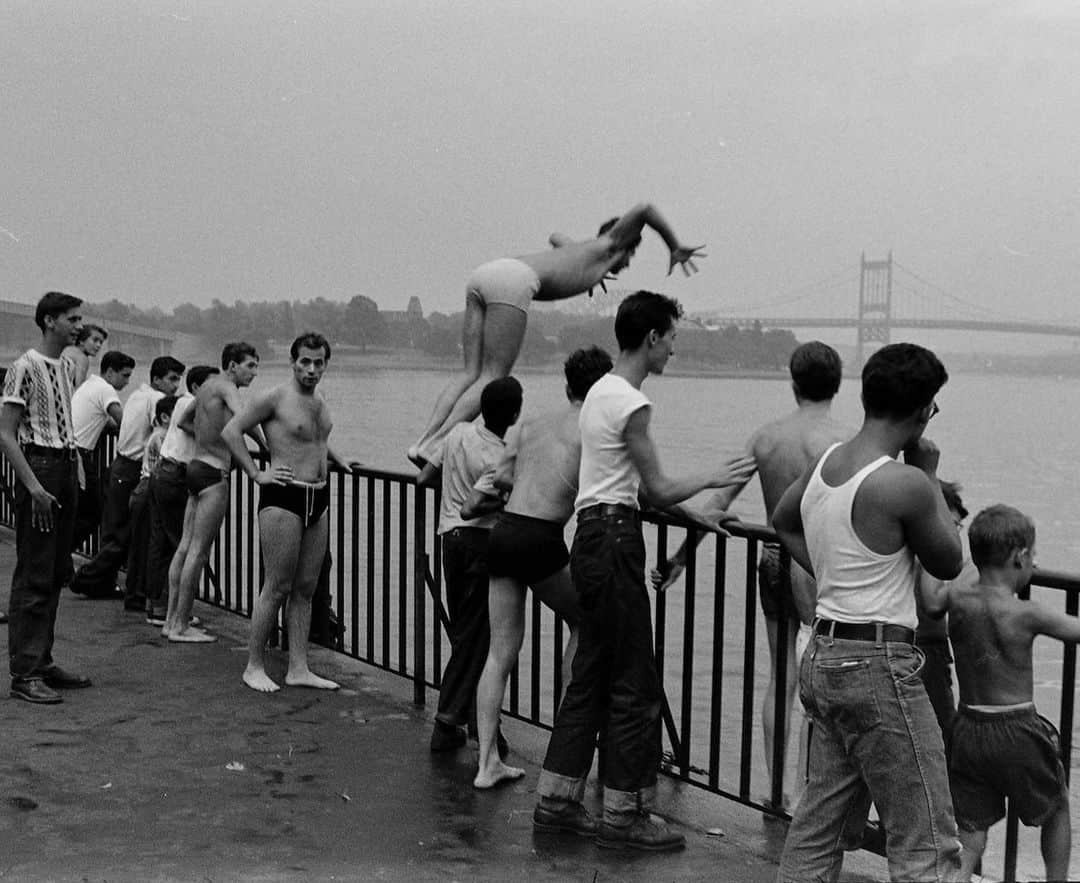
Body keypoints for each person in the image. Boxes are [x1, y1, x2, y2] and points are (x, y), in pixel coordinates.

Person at [533, 291, 756, 852]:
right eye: (673, 339)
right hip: (614, 544)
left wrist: (694, 514)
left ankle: (557, 801)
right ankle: (624, 813)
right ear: (652, 338)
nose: (675, 351)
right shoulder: (630, 402)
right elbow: (652, 487)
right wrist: (712, 476)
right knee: (634, 682)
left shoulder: (598, 394)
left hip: (592, 535)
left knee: (590, 673)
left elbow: (623, 490)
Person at [771, 342, 964, 882]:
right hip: (879, 667)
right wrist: (927, 473)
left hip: (825, 657)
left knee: (817, 831)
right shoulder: (902, 483)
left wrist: (832, 571)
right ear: (924, 408)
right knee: (926, 840)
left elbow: (784, 521)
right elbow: (949, 560)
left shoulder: (827, 462)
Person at [653, 340, 851, 810]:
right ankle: (810, 798)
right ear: (839, 384)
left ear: (793, 383)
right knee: (819, 681)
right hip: (813, 564)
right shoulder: (841, 441)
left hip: (771, 558)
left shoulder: (765, 438)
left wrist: (681, 559)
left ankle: (775, 793)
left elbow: (715, 507)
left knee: (780, 678)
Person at [409, 203, 706, 467]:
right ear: (624, 241)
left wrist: (582, 263)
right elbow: (645, 210)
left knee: (470, 372)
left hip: (487, 273)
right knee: (494, 375)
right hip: (513, 282)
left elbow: (555, 236)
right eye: (631, 253)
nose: (628, 262)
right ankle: (438, 446)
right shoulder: (610, 244)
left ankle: (424, 443)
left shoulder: (586, 252)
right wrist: (674, 246)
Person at [473, 346, 613, 790]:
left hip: (504, 530)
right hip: (540, 537)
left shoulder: (529, 422)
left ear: (568, 385)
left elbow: (502, 476)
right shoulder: (591, 429)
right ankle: (569, 735)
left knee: (500, 652)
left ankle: (485, 764)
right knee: (587, 625)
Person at [940, 505, 1073, 882]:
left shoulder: (958, 602)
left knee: (970, 832)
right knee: (1057, 806)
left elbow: (935, 598)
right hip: (1016, 729)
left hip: (967, 726)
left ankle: (958, 878)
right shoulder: (1027, 614)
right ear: (1019, 557)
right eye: (1033, 554)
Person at [224, 333, 359, 692]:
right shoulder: (274, 397)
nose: (311, 369)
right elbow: (231, 430)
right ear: (293, 362)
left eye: (318, 363)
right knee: (278, 585)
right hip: (284, 495)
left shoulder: (319, 401)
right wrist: (256, 473)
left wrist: (338, 458)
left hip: (319, 496)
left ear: (326, 365)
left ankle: (298, 667)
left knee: (305, 588)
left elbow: (317, 439)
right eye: (305, 362)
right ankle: (254, 665)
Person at [417, 377, 523, 753]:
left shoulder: (458, 433)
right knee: (477, 638)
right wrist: (506, 502)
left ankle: (475, 723)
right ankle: (448, 721)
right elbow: (479, 504)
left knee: (467, 632)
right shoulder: (501, 457)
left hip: (450, 539)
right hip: (481, 540)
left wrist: (453, 489)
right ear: (514, 414)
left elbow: (424, 476)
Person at [0, 291, 92, 703]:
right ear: (50, 321)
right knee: (34, 572)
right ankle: (25, 672)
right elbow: (5, 434)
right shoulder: (24, 367)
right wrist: (35, 487)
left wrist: (76, 466)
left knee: (57, 570)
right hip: (40, 467)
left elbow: (64, 422)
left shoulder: (67, 366)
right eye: (72, 319)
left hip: (64, 464)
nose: (79, 326)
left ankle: (43, 660)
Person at [162, 343, 263, 643]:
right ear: (232, 366)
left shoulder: (206, 387)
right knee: (198, 551)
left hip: (195, 466)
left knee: (183, 547)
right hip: (214, 474)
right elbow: (244, 417)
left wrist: (210, 435)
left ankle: (170, 621)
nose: (254, 373)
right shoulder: (227, 388)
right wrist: (265, 446)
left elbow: (183, 421)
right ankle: (181, 626)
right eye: (250, 366)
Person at [71, 355, 185, 603]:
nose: (176, 385)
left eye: (178, 380)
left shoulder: (137, 394)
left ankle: (103, 582)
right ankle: (86, 578)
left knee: (115, 530)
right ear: (157, 379)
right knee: (126, 534)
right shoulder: (157, 401)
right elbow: (172, 431)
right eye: (172, 379)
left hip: (119, 465)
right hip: (133, 469)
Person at [144, 365, 219, 626]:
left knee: (162, 543)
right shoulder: (196, 403)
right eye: (212, 384)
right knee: (182, 545)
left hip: (163, 472)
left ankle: (157, 605)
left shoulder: (181, 401)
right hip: (177, 475)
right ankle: (176, 613)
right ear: (198, 387)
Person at [914, 479, 975, 753]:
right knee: (941, 739)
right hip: (926, 651)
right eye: (951, 524)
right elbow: (933, 601)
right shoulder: (931, 546)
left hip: (909, 647)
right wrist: (977, 568)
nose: (954, 533)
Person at [68, 349, 135, 580]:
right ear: (109, 372)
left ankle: (60, 560)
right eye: (124, 376)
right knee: (92, 511)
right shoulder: (106, 390)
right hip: (80, 454)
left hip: (71, 450)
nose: (127, 382)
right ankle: (60, 557)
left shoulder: (90, 385)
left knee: (77, 512)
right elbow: (124, 422)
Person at [122, 394, 178, 620]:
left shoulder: (156, 435)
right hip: (150, 489)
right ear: (166, 417)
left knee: (148, 546)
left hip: (144, 489)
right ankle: (156, 604)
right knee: (158, 547)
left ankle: (146, 600)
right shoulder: (163, 438)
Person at [63, 323, 108, 388]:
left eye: (101, 342)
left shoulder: (67, 349)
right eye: (95, 340)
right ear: (82, 341)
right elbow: (79, 388)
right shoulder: (82, 358)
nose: (99, 345)